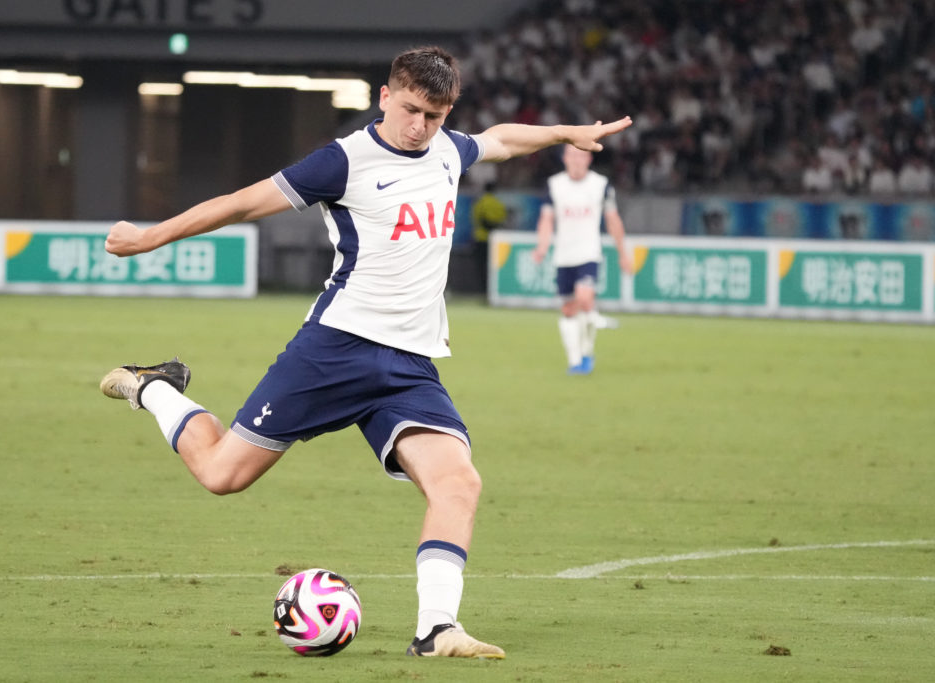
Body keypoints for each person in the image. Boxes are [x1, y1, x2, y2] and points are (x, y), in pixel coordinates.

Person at [98, 46, 631, 659]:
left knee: (458, 483)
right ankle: (155, 387)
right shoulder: (343, 162)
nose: (417, 127)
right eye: (408, 110)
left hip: (409, 367)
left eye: (432, 116)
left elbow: (501, 140)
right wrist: (151, 236)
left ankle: (437, 629)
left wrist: (565, 132)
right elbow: (243, 202)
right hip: (334, 351)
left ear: (445, 112)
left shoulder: (448, 150)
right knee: (222, 475)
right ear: (384, 96)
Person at [533, 144, 633, 375]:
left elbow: (613, 220)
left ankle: (586, 352)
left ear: (589, 159)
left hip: (589, 253)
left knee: (584, 298)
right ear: (565, 158)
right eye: (572, 156)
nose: (577, 160)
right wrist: (542, 245)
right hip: (563, 256)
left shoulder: (601, 185)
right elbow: (547, 219)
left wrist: (623, 253)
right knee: (569, 310)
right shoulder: (554, 185)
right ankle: (576, 359)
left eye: (581, 156)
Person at [469, 180, 508, 292]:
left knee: (481, 266)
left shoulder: (480, 202)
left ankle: (482, 290)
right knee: (493, 266)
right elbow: (503, 220)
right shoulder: (499, 203)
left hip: (481, 238)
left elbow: (476, 219)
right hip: (495, 240)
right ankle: (493, 290)